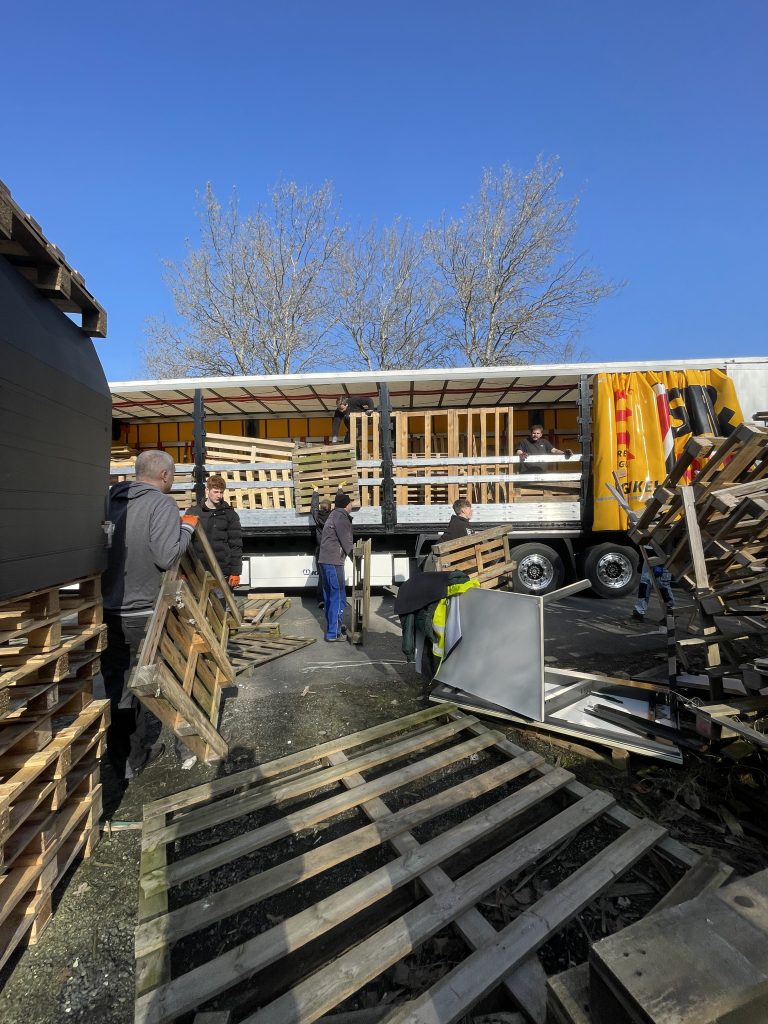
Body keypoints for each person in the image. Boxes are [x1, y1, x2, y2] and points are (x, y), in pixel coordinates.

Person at [101, 450, 198, 780]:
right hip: (145, 612)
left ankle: (126, 761)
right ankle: (182, 748)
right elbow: (166, 557)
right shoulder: (161, 504)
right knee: (164, 679)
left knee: (119, 687)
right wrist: (187, 529)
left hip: (109, 610)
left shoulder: (109, 501)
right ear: (165, 476)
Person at [187, 475, 243, 587]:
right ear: (207, 490)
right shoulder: (193, 512)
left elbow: (235, 545)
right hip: (198, 569)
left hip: (222, 571)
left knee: (221, 598)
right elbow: (186, 544)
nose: (219, 496)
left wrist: (235, 572)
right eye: (216, 492)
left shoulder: (230, 515)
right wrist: (184, 570)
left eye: (221, 492)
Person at [318, 492, 356, 641]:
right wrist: (355, 556)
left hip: (326, 560)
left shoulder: (333, 515)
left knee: (329, 596)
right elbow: (346, 541)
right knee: (338, 596)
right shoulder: (341, 517)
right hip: (333, 561)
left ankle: (335, 627)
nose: (352, 504)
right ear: (346, 504)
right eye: (350, 502)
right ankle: (333, 633)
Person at [310, 486, 332, 609]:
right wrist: (340, 489)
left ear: (321, 507)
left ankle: (321, 599)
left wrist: (315, 492)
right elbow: (340, 507)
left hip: (320, 549)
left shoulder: (317, 517)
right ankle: (331, 598)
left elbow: (313, 508)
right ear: (330, 508)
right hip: (330, 550)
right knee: (331, 574)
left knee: (321, 575)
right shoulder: (333, 517)